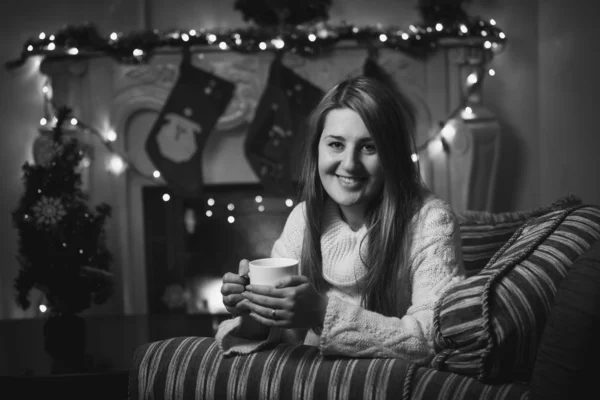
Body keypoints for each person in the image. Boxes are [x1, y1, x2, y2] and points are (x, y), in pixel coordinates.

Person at [216, 76, 465, 363]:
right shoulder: (304, 219)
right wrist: (255, 311)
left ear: (392, 156)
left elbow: (434, 339)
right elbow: (288, 339)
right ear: (317, 150)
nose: (349, 164)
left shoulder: (431, 222)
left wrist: (322, 313)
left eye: (369, 147)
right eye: (336, 144)